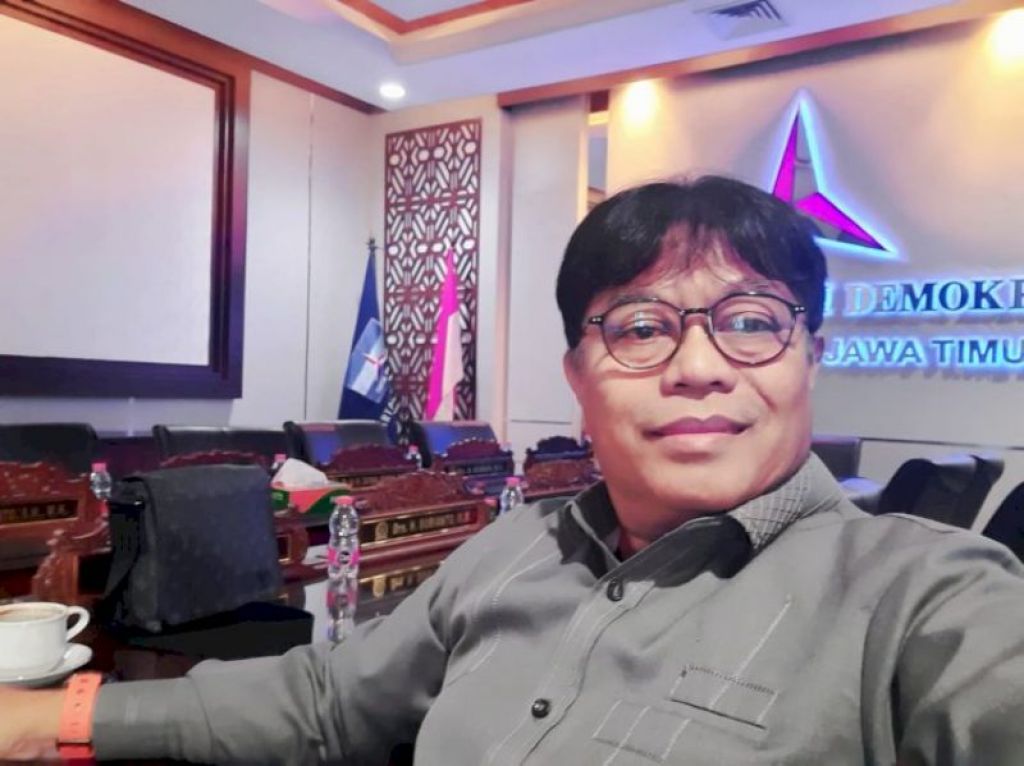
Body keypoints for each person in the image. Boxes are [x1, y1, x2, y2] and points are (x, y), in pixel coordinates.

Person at [4, 175, 1024, 764]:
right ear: (578, 378)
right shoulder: (511, 549)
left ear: (810, 359)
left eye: (752, 321)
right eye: (641, 327)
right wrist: (61, 712)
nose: (699, 366)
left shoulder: (927, 601)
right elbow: (328, 699)